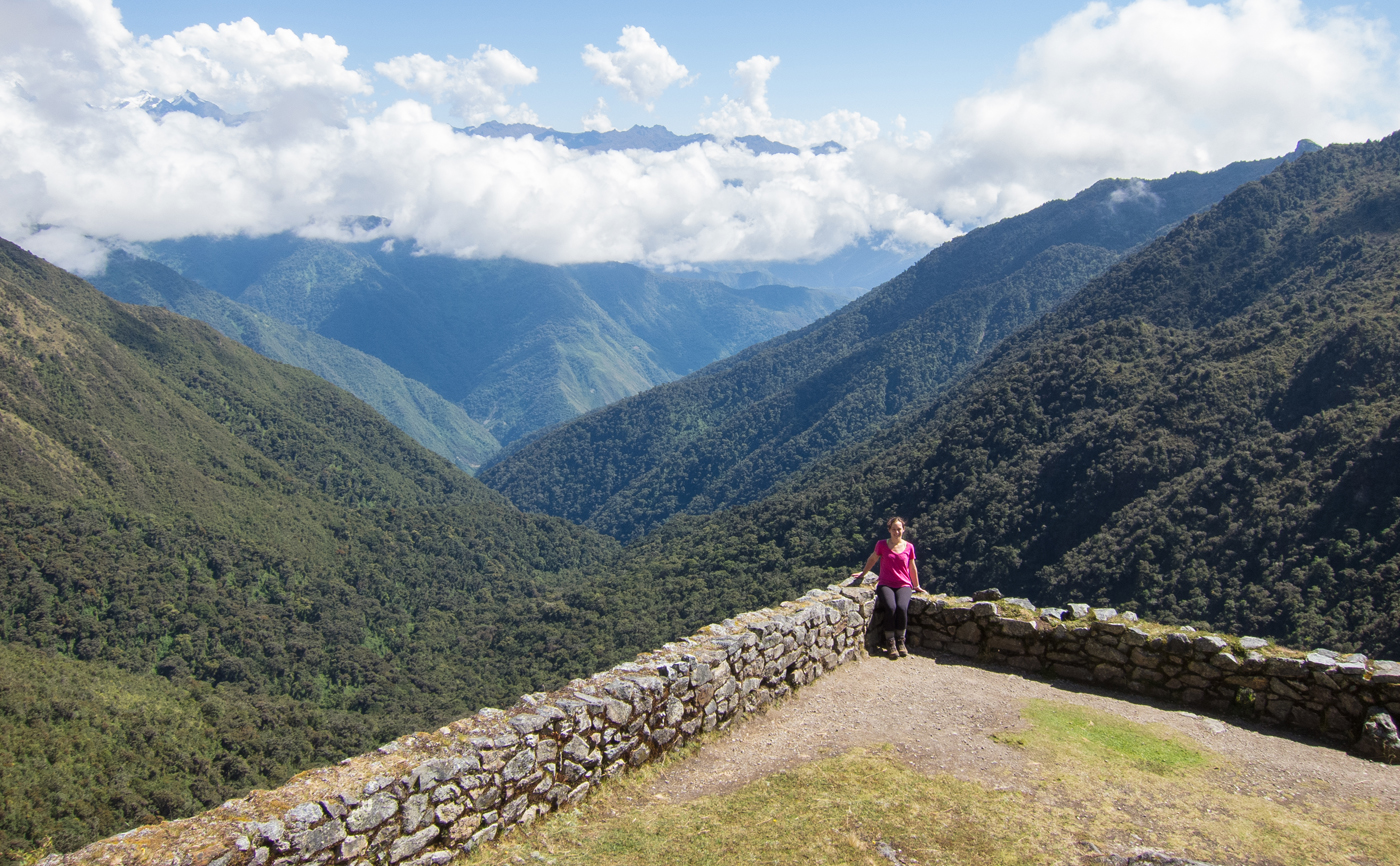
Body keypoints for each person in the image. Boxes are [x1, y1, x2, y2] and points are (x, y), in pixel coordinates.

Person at [851, 516, 920, 658]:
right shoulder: (882, 545)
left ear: (903, 530)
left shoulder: (909, 547)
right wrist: (863, 573)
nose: (896, 532)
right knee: (891, 607)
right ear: (889, 530)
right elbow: (872, 559)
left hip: (904, 584)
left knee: (902, 607)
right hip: (885, 584)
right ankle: (890, 642)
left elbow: (912, 567)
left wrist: (916, 585)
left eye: (899, 529)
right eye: (894, 529)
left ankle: (901, 640)